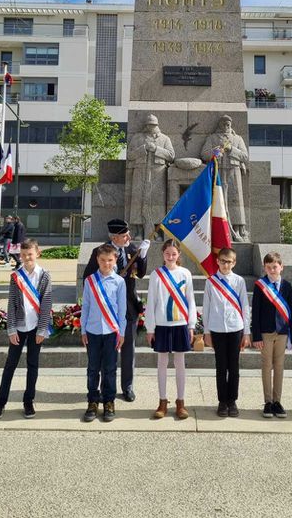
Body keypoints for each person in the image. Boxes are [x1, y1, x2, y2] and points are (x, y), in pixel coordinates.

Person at [83, 218, 149, 402]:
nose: (128, 237)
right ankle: (106, 388)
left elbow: (141, 273)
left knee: (129, 349)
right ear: (114, 237)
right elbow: (87, 278)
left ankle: (127, 386)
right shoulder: (100, 252)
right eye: (124, 235)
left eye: (127, 234)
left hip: (128, 308)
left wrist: (143, 256)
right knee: (106, 354)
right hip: (106, 312)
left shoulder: (132, 249)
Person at [0, 239, 52, 420]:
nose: (27, 258)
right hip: (19, 327)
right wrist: (11, 329)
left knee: (32, 365)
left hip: (35, 328)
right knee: (10, 365)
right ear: (20, 256)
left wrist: (42, 330)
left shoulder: (45, 276)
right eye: (23, 255)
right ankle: (0, 402)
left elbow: (47, 303)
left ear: (37, 253)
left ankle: (28, 401)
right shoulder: (15, 276)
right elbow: (11, 304)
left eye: (30, 254)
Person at [145, 239, 197, 420]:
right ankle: (162, 401)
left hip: (180, 324)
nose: (171, 257)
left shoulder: (185, 273)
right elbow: (151, 301)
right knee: (161, 364)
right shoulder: (156, 274)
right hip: (162, 325)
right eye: (167, 254)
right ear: (162, 254)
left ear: (179, 255)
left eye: (174, 254)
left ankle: (180, 402)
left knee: (180, 364)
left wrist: (191, 325)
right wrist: (150, 327)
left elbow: (191, 300)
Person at [81, 244, 127, 423]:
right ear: (97, 260)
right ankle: (93, 401)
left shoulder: (119, 282)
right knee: (93, 368)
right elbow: (85, 307)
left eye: (110, 260)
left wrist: (121, 333)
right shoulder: (90, 281)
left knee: (109, 369)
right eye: (102, 260)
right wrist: (83, 329)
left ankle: (109, 401)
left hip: (111, 332)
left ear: (115, 260)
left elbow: (122, 310)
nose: (106, 263)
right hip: (92, 331)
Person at [202, 247, 251, 417]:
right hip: (216, 329)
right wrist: (206, 332)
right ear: (217, 261)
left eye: (229, 261)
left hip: (235, 328)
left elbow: (245, 306)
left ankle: (233, 400)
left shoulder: (239, 281)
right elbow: (206, 307)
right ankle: (222, 401)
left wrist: (246, 332)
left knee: (234, 367)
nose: (225, 264)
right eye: (222, 261)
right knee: (221, 367)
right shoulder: (211, 281)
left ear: (234, 263)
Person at [251, 251, 292, 419]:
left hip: (282, 332)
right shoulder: (260, 285)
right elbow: (256, 311)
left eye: (275, 267)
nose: (272, 270)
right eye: (268, 267)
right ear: (265, 268)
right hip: (266, 332)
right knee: (266, 366)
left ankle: (277, 401)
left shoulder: (286, 285)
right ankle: (268, 401)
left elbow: (291, 310)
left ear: (281, 267)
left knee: (279, 367)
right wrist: (256, 336)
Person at [201, 115, 249, 241]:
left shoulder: (237, 139)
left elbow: (245, 156)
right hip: (218, 171)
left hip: (234, 171)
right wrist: (214, 151)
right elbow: (204, 154)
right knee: (218, 199)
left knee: (235, 199)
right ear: (219, 125)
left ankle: (237, 229)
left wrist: (232, 149)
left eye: (228, 124)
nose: (226, 127)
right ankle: (218, 229)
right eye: (224, 124)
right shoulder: (213, 138)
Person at [126, 114, 174, 239]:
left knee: (158, 201)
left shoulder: (164, 139)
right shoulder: (137, 138)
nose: (151, 127)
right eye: (149, 125)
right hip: (140, 171)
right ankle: (139, 231)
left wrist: (156, 149)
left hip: (158, 172)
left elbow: (171, 155)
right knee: (138, 200)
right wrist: (143, 149)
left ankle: (156, 231)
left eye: (153, 125)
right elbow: (130, 155)